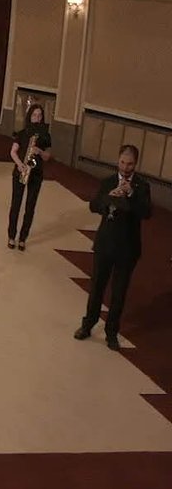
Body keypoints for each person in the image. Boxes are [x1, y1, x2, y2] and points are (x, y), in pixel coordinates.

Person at [74, 145, 152, 351]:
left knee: (118, 292)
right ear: (118, 161)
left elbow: (146, 212)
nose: (125, 167)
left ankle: (111, 332)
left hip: (127, 249)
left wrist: (131, 194)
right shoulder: (108, 181)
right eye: (123, 162)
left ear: (136, 164)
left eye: (130, 164)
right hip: (105, 244)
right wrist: (108, 197)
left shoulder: (142, 186)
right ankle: (88, 324)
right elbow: (93, 206)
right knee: (97, 287)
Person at [7, 103, 53, 251]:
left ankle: (23, 238)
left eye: (40, 116)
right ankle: (11, 236)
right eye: (34, 115)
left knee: (30, 206)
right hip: (21, 170)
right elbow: (13, 152)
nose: (37, 118)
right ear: (29, 116)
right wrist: (20, 164)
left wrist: (39, 151)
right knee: (16, 205)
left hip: (36, 173)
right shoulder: (22, 133)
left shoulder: (45, 136)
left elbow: (47, 157)